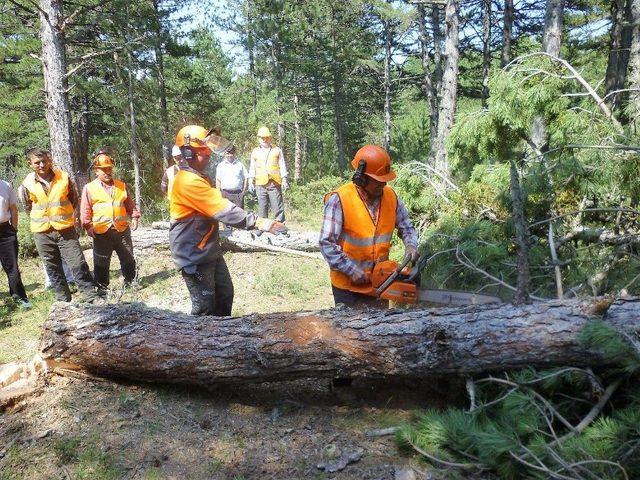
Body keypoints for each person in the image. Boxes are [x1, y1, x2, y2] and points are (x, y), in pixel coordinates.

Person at [169, 125, 287, 316]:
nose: (208, 154)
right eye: (202, 151)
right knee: (205, 307)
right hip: (193, 253)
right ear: (188, 153)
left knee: (224, 294)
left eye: (208, 150)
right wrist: (262, 223)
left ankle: (223, 340)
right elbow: (225, 210)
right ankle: (201, 343)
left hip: (208, 249)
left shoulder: (198, 177)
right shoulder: (187, 181)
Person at [319, 145, 420, 309]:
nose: (384, 184)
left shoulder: (390, 196)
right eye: (378, 181)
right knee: (350, 332)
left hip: (380, 284)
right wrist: (352, 270)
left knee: (377, 331)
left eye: (385, 180)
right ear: (361, 178)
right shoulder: (340, 200)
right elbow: (326, 243)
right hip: (347, 288)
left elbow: (407, 227)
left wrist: (410, 245)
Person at [18, 149, 97, 302]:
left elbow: (74, 199)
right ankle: (63, 300)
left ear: (50, 160)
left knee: (77, 263)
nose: (42, 165)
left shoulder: (64, 177)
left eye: (44, 161)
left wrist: (62, 216)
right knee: (52, 268)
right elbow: (28, 206)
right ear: (30, 164)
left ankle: (90, 296)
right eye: (37, 162)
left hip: (65, 230)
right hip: (42, 233)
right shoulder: (26, 184)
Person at [81, 152, 140, 292]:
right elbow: (85, 208)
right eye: (103, 169)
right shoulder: (89, 188)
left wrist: (135, 216)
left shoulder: (121, 186)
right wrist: (88, 225)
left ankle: (131, 281)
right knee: (101, 260)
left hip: (121, 229)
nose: (107, 172)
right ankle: (102, 286)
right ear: (96, 171)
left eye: (109, 168)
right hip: (101, 231)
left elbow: (129, 204)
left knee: (128, 257)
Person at [0, 177, 30, 309]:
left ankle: (20, 297)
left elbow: (13, 209)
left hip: (5, 231)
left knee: (12, 268)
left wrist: (14, 229)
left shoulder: (5, 185)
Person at [248, 126, 288, 222]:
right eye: (262, 138)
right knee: (262, 208)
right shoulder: (255, 151)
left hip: (274, 183)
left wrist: (284, 179)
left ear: (270, 138)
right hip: (260, 184)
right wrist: (250, 181)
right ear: (259, 139)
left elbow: (282, 165)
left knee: (277, 207)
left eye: (267, 137)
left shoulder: (277, 150)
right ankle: (262, 228)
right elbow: (252, 167)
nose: (265, 140)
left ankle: (280, 227)